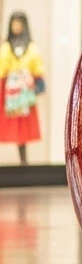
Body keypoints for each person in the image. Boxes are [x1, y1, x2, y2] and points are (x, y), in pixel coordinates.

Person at [0, 12, 46, 165]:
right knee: (11, 125)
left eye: (19, 23)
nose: (16, 26)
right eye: (14, 23)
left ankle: (23, 161)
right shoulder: (6, 48)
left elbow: (37, 68)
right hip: (11, 92)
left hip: (26, 92)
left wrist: (38, 84)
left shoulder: (32, 48)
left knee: (25, 127)